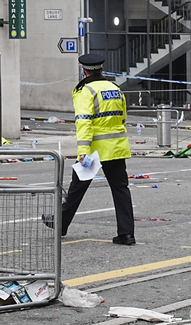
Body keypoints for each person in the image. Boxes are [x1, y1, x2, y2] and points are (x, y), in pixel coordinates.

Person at [43, 53, 135, 245]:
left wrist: (83, 151)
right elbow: (123, 117)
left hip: (93, 150)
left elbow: (84, 123)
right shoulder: (115, 88)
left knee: (77, 188)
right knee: (121, 190)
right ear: (101, 69)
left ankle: (60, 224)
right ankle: (126, 234)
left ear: (84, 71)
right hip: (116, 147)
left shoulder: (86, 90)